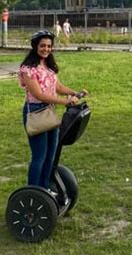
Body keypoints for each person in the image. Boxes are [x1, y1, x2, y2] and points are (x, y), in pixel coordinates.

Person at [19, 30, 88, 189]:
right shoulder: (28, 69)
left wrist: (74, 93)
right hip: (36, 112)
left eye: (49, 46)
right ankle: (34, 191)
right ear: (35, 46)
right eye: (42, 45)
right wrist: (65, 102)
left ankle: (45, 189)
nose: (46, 49)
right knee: (39, 156)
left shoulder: (48, 65)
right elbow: (39, 95)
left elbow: (57, 86)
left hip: (50, 110)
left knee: (51, 155)